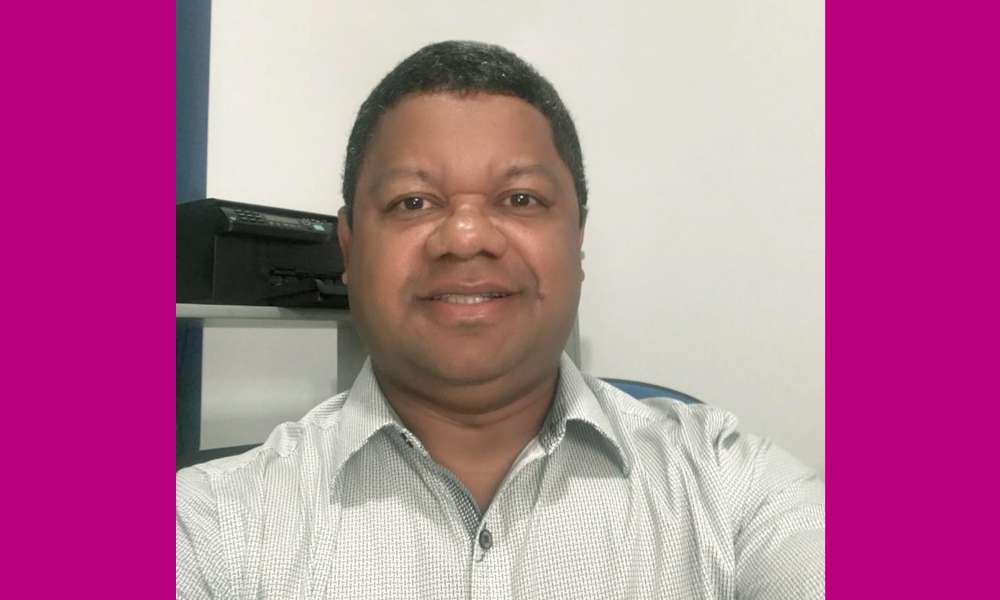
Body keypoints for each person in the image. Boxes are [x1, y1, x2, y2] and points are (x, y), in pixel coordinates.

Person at [176, 40, 824, 599]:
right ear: (349, 248)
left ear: (577, 240)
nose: (465, 237)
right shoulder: (208, 528)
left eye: (520, 198)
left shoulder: (730, 491)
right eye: (413, 201)